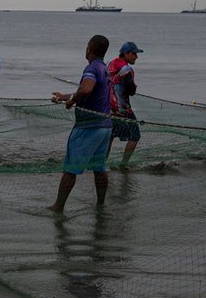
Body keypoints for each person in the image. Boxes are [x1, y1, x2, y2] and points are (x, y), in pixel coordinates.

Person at [47, 35, 113, 212]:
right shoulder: (104, 68)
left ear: (89, 48)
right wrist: (65, 97)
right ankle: (100, 205)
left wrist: (72, 101)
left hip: (88, 128)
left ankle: (58, 207)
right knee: (99, 168)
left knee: (71, 168)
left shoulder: (91, 68)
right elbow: (90, 92)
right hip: (104, 127)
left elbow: (86, 89)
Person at [106, 41, 143, 166]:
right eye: (134, 54)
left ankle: (101, 164)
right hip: (123, 111)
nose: (136, 57)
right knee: (135, 136)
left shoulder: (110, 63)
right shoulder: (126, 69)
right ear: (125, 53)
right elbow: (131, 91)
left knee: (109, 137)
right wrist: (134, 86)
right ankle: (124, 164)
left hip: (108, 109)